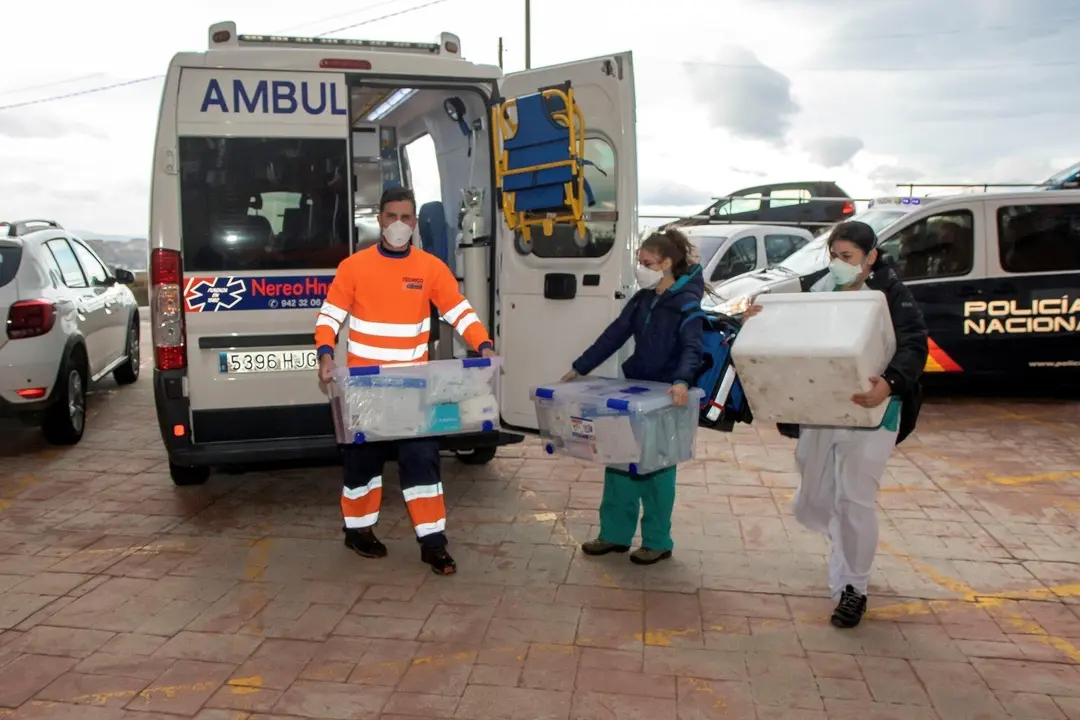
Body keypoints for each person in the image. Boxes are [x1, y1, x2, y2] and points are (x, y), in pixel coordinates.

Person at [745, 220, 929, 628]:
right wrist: (756, 314)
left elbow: (915, 343)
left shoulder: (890, 295)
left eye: (847, 257)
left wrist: (890, 383)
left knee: (855, 499)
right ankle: (844, 542)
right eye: (833, 255)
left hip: (874, 413)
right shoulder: (816, 288)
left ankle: (854, 589)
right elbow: (775, 312)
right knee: (815, 496)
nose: (838, 264)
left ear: (870, 258)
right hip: (822, 410)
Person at [314, 186, 496, 576]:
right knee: (361, 465)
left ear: (415, 222)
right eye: (392, 216)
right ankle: (358, 530)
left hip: (414, 388)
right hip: (363, 389)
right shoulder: (354, 267)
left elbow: (458, 310)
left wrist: (483, 344)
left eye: (406, 217)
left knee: (422, 463)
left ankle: (433, 542)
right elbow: (329, 316)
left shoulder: (430, 268)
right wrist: (326, 354)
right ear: (379, 219)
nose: (399, 225)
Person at [561, 228, 705, 565]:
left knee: (656, 469)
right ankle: (614, 534)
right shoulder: (642, 299)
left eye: (647, 262)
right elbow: (614, 335)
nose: (641, 268)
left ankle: (657, 540)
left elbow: (692, 348)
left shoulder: (686, 303)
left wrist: (682, 380)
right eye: (640, 262)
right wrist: (580, 367)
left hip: (667, 396)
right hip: (635, 390)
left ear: (667, 263)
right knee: (620, 461)